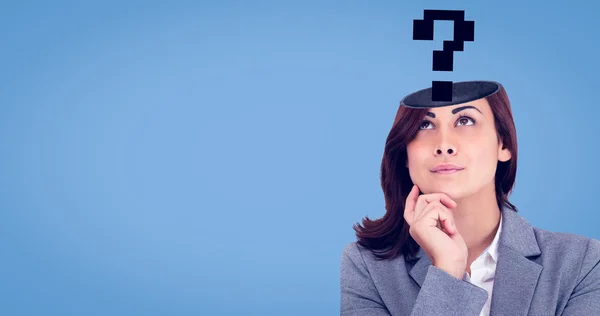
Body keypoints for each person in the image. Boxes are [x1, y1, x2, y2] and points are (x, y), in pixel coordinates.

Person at [339, 81, 600, 316]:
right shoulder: (367, 267)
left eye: (465, 120)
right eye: (425, 124)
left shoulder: (581, 264)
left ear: (504, 145)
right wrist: (447, 273)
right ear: (405, 155)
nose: (444, 144)